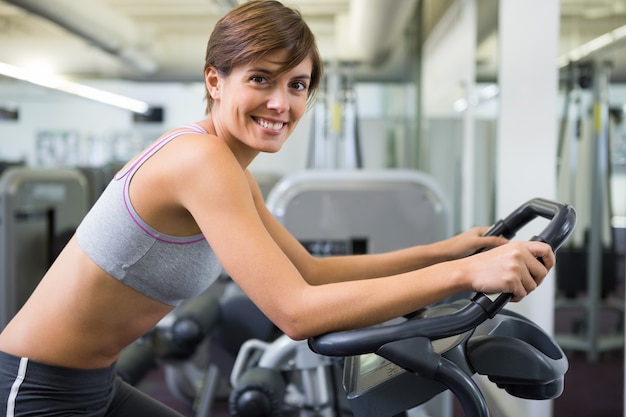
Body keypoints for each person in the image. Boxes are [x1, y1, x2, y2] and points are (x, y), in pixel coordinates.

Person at [0, 1, 556, 416]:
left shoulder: (229, 170)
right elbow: (297, 312)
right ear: (214, 81)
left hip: (95, 382)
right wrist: (462, 274)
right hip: (36, 386)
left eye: (297, 85)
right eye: (260, 79)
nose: (280, 103)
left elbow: (310, 273)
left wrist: (450, 248)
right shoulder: (200, 161)